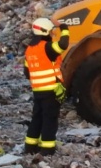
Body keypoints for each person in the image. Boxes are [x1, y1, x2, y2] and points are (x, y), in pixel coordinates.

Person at [23, 17, 70, 156]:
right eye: (51, 31)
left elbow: (27, 72)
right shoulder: (47, 47)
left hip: (37, 91)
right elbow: (63, 45)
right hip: (51, 90)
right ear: (44, 31)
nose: (52, 34)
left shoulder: (29, 50)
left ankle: (30, 147)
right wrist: (64, 28)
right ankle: (47, 149)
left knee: (37, 118)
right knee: (50, 119)